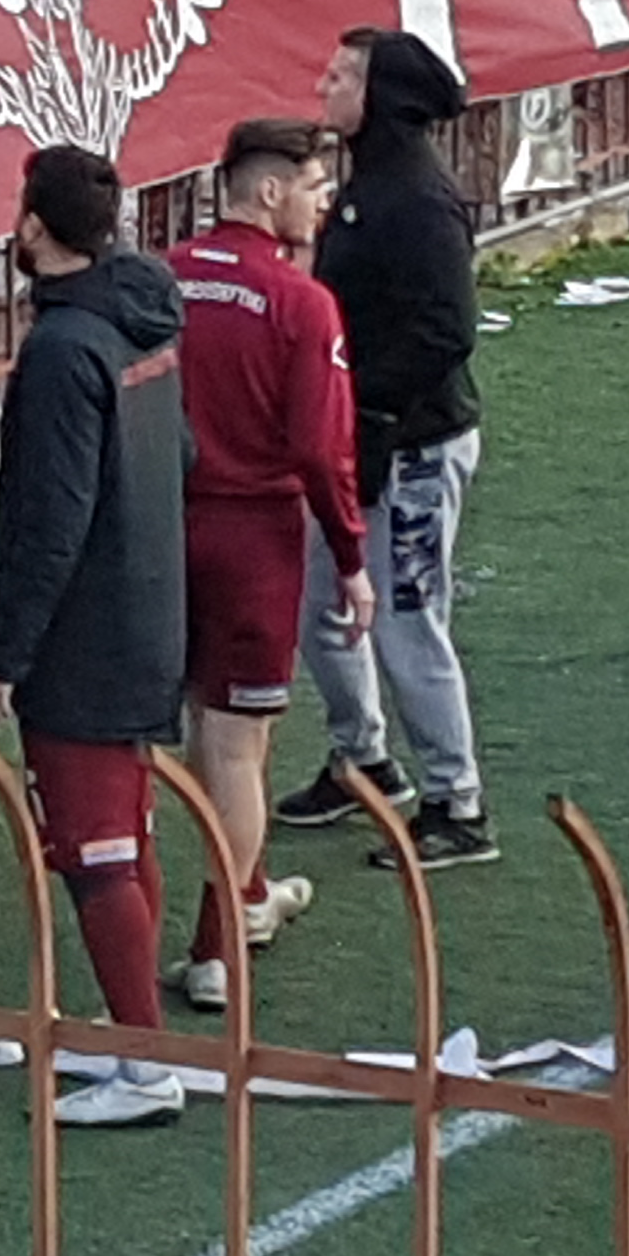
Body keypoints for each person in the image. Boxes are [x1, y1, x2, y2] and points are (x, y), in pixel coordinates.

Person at [0, 144, 193, 1132]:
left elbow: (53, 516)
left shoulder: (63, 351)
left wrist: (4, 654)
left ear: (32, 227)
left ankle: (144, 1064)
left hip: (87, 635)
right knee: (127, 831)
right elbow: (180, 452)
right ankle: (135, 1029)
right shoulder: (142, 323)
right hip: (149, 609)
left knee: (95, 846)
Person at [162, 121, 367, 1012]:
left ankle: (248, 892)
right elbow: (319, 448)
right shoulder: (299, 301)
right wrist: (351, 556)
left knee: (202, 725)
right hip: (254, 540)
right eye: (315, 186)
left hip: (166, 530)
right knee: (239, 743)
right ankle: (219, 946)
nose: (325, 202)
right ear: (271, 191)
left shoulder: (167, 275)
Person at [281, 28, 495, 870]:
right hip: (371, 440)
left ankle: (458, 801)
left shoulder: (414, 200)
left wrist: (356, 395)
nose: (324, 85)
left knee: (408, 621)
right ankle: (364, 759)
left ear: (383, 98)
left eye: (342, 75)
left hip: (412, 449)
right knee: (322, 603)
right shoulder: (375, 186)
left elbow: (447, 332)